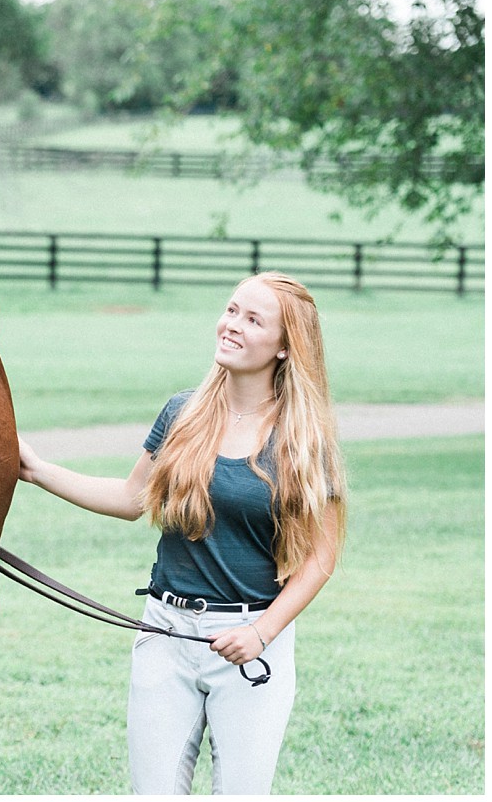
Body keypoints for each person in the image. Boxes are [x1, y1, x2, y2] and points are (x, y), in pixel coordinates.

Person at [17, 272, 347, 794]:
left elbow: (321, 559)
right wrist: (38, 471)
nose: (232, 325)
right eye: (232, 310)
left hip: (251, 642)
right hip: (165, 635)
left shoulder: (304, 438)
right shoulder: (183, 412)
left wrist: (260, 634)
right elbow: (131, 499)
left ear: (285, 348)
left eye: (253, 319)